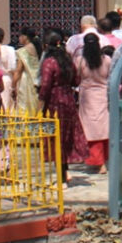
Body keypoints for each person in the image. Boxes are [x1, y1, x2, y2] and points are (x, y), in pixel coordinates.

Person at [39, 32, 84, 180]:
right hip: (68, 100)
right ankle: (65, 171)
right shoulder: (67, 61)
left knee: (56, 139)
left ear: (46, 46)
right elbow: (76, 80)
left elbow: (45, 86)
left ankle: (62, 175)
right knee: (66, 138)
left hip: (54, 102)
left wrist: (40, 106)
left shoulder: (49, 62)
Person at [75, 33, 112, 172]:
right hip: (102, 95)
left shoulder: (80, 60)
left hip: (86, 95)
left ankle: (97, 160)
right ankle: (103, 160)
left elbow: (77, 76)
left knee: (90, 128)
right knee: (102, 127)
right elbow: (110, 76)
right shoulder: (106, 59)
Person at [11, 27, 41, 112]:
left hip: (26, 82)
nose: (19, 38)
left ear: (25, 37)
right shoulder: (38, 48)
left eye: (20, 36)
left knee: (24, 108)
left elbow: (18, 70)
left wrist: (13, 86)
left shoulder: (22, 51)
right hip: (37, 80)